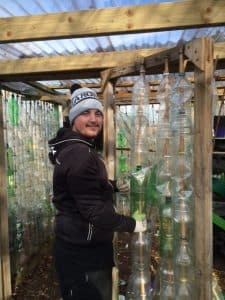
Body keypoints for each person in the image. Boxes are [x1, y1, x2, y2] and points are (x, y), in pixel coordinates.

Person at [48, 85, 147, 300]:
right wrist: (132, 225)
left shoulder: (77, 147)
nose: (94, 119)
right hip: (83, 252)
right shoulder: (80, 154)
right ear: (73, 118)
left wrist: (110, 185)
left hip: (79, 242)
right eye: (85, 113)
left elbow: (82, 187)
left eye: (98, 113)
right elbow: (93, 211)